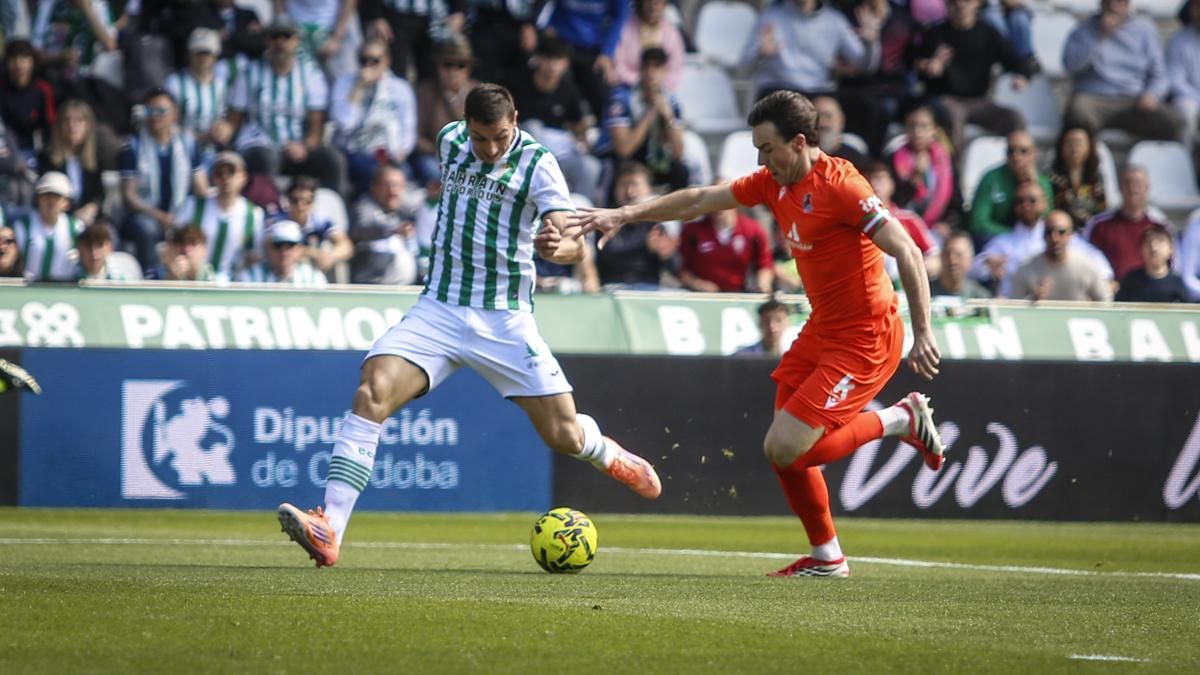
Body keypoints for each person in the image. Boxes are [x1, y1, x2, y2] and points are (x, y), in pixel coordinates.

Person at [276, 84, 663, 567]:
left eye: (501, 136)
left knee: (563, 434)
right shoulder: (448, 141)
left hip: (504, 319)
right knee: (372, 391)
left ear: (516, 120)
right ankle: (329, 527)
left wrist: (555, 249)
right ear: (465, 127)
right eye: (483, 138)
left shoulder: (539, 163)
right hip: (438, 308)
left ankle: (608, 453)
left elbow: (573, 244)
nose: (493, 148)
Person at [571, 90, 946, 577]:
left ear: (798, 142)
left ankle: (900, 420)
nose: (760, 159)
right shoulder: (774, 183)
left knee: (786, 447)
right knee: (786, 452)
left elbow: (908, 251)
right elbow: (702, 199)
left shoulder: (843, 186)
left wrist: (923, 332)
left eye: (767, 148)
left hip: (867, 336)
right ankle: (828, 557)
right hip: (822, 329)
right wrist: (624, 214)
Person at [227, 16, 346, 193]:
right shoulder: (249, 73)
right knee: (265, 157)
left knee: (333, 160)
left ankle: (335, 210)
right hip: (259, 145)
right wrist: (223, 132)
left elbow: (316, 126)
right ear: (267, 41)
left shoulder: (310, 74)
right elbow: (234, 119)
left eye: (286, 37)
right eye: (275, 37)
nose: (281, 43)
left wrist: (305, 146)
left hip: (296, 147)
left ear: (296, 41)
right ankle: (269, 211)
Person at [912, 0, 1032, 153]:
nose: (960, 5)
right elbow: (913, 62)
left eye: (967, 1)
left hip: (980, 101)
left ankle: (1017, 167)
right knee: (952, 119)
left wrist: (1022, 75)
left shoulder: (989, 33)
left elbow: (1015, 60)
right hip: (948, 100)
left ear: (977, 3)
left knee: (1014, 119)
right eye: (954, 2)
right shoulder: (935, 33)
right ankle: (952, 173)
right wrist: (928, 66)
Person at [1062, 0, 1182, 142]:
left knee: (1172, 120)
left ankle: (1146, 159)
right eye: (1109, 1)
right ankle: (1091, 161)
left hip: (1134, 100)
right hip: (1094, 98)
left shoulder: (1145, 30)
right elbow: (1070, 66)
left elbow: (1160, 74)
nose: (1114, 6)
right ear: (1101, 3)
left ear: (1128, 4)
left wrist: (1152, 94)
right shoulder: (1083, 29)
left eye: (1120, 1)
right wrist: (1098, 36)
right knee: (1077, 113)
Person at [971, 179, 1113, 296]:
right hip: (1013, 307)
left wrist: (1105, 281)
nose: (1026, 206)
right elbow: (972, 270)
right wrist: (987, 265)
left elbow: (1099, 265)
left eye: (1032, 201)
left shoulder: (1059, 233)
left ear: (1044, 203)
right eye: (1020, 201)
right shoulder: (1003, 243)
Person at [118, 88, 206, 271]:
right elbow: (129, 197)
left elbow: (200, 187)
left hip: (180, 213)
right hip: (146, 215)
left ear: (174, 114)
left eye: (160, 111)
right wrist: (158, 216)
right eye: (150, 111)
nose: (154, 117)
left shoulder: (188, 143)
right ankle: (152, 277)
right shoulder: (132, 146)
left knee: (202, 225)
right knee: (146, 228)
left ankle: (198, 275)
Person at [508, 35, 599, 199]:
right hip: (524, 144)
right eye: (548, 59)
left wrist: (583, 135)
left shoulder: (569, 90)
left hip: (557, 144)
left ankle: (579, 210)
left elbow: (578, 124)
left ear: (565, 64)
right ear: (539, 59)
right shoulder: (519, 83)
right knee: (533, 127)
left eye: (558, 60)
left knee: (591, 166)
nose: (553, 66)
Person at [739, 0, 881, 100]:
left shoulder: (834, 21)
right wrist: (760, 53)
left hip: (819, 91)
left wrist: (870, 43)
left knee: (862, 106)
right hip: (779, 89)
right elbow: (744, 68)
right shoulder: (771, 18)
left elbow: (864, 66)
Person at [330, 38, 419, 196]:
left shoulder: (400, 88)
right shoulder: (344, 84)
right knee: (373, 172)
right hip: (355, 150)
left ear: (387, 61)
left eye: (375, 60)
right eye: (364, 60)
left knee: (404, 175)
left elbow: (408, 127)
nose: (368, 65)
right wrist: (358, 88)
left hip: (391, 151)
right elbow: (345, 123)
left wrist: (402, 151)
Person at [594, 47, 689, 192]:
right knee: (619, 167)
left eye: (657, 67)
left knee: (680, 171)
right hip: (618, 157)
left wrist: (668, 117)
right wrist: (650, 113)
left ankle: (677, 213)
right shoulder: (621, 98)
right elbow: (624, 149)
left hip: (652, 158)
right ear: (640, 69)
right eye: (647, 67)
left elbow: (678, 153)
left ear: (665, 71)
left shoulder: (671, 100)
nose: (651, 73)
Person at [172, 151, 265, 280]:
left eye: (231, 172)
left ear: (243, 177)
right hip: (193, 280)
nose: (225, 178)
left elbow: (254, 256)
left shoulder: (253, 215)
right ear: (213, 178)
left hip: (232, 285)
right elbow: (172, 243)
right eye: (219, 174)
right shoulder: (193, 206)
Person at [593, 161, 679, 289]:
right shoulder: (606, 221)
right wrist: (645, 246)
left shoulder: (656, 224)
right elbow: (605, 258)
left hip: (649, 289)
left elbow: (675, 267)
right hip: (613, 288)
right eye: (624, 185)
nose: (630, 192)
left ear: (648, 189)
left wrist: (666, 254)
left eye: (635, 185)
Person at [678, 179, 775, 293]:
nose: (718, 203)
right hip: (702, 297)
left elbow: (765, 264)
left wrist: (763, 284)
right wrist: (698, 284)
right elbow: (682, 270)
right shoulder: (693, 231)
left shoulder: (752, 230)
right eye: (713, 198)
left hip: (738, 295)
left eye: (722, 197)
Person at [539, 0, 629, 117]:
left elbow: (620, 17)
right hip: (560, 40)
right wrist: (546, 27)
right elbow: (543, 7)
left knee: (602, 92)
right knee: (552, 80)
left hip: (593, 48)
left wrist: (607, 52)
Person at [1084, 164, 1171, 282]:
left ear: (1147, 188)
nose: (1133, 188)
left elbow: (1172, 267)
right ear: (1120, 188)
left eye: (1138, 183)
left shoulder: (1160, 226)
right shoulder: (1099, 226)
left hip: (1152, 293)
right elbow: (1087, 260)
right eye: (1128, 183)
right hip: (1112, 294)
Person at [413, 36, 480, 188]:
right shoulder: (425, 92)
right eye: (447, 64)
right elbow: (416, 137)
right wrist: (441, 151)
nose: (453, 71)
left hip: (473, 157)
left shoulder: (479, 93)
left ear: (468, 68)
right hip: (435, 157)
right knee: (433, 173)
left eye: (460, 65)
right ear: (438, 67)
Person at [968, 129, 1053, 245]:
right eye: (1011, 151)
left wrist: (1034, 184)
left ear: (1034, 154)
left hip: (1034, 240)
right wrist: (1014, 235)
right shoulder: (991, 179)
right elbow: (978, 222)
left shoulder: (1043, 183)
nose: (1016, 156)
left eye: (1023, 151)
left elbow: (1047, 219)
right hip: (998, 239)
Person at [1010, 210, 1113, 301]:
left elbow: (1105, 300)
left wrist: (1088, 309)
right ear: (1043, 235)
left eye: (1061, 232)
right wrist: (1033, 300)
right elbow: (1013, 306)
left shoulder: (1086, 265)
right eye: (1049, 232)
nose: (1054, 238)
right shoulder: (1026, 268)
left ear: (1070, 235)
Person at [864, 159, 940, 281]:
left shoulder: (909, 219)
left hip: (904, 289)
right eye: (868, 180)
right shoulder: (858, 223)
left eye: (879, 179)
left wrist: (916, 268)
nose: (874, 184)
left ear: (891, 184)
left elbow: (934, 257)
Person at [163, 28, 235, 152]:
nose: (202, 58)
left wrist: (224, 129)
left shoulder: (222, 85)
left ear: (215, 55)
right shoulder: (174, 83)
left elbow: (228, 119)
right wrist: (199, 138)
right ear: (189, 54)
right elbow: (166, 124)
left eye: (206, 52)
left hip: (214, 149)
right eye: (198, 52)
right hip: (180, 149)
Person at [349, 163, 419, 285]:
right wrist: (394, 229)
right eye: (387, 185)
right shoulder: (364, 207)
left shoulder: (405, 212)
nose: (393, 191)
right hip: (372, 290)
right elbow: (363, 228)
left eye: (398, 185)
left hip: (407, 291)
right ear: (374, 187)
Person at [37, 99, 103, 226]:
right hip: (58, 219)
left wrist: (91, 208)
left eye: (79, 121)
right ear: (59, 125)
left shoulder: (96, 157)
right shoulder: (46, 158)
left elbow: (98, 194)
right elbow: (45, 193)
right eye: (66, 121)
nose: (72, 126)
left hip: (88, 219)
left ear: (88, 126)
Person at [12, 171, 85, 282]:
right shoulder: (21, 228)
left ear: (66, 203)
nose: (50, 201)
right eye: (46, 195)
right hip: (28, 291)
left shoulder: (77, 229)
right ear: (38, 199)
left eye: (56, 196)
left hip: (66, 292)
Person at [889, 105, 953, 228]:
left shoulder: (946, 159)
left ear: (934, 130)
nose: (917, 132)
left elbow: (955, 201)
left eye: (924, 126)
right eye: (912, 125)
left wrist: (946, 224)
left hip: (936, 226)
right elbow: (896, 200)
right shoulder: (893, 158)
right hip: (902, 224)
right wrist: (915, 176)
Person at [282, 176, 353, 277]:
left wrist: (330, 256)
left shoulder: (320, 222)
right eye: (295, 200)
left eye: (307, 201)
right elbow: (279, 250)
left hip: (314, 273)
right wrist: (313, 253)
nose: (301, 206)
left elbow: (346, 246)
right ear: (287, 201)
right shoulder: (279, 222)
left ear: (313, 203)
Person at [612, 0, 685, 92]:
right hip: (626, 88)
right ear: (641, 3)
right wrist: (641, 81)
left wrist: (655, 86)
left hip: (661, 90)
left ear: (665, 5)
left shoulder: (672, 35)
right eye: (649, 2)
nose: (653, 7)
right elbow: (617, 66)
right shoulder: (623, 28)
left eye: (658, 3)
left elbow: (675, 73)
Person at [1048, 125, 1107, 231]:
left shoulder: (1096, 180)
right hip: (1060, 235)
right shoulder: (1052, 179)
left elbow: (1102, 213)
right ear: (1061, 146)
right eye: (1069, 142)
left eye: (1079, 142)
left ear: (1089, 146)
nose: (1074, 147)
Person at [238, 219, 329, 287]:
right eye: (278, 245)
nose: (284, 252)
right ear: (268, 248)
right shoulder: (250, 277)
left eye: (290, 245)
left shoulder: (313, 278)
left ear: (300, 249)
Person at [1115, 225, 1189, 302]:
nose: (1154, 248)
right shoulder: (1131, 280)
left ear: (1170, 249)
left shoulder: (1176, 282)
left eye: (1160, 241)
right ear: (1141, 249)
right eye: (1148, 242)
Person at [144, 223, 218, 282]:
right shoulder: (154, 273)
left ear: (204, 250)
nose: (186, 249)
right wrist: (171, 278)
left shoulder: (209, 276)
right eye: (181, 242)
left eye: (193, 243)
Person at [930, 230, 991, 299]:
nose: (952, 260)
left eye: (959, 255)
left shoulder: (980, 298)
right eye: (947, 254)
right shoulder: (927, 293)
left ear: (970, 259)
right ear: (941, 256)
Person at [813, 96, 868, 170]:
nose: (822, 123)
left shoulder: (856, 159)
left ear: (841, 120)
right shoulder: (799, 158)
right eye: (817, 117)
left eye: (828, 116)